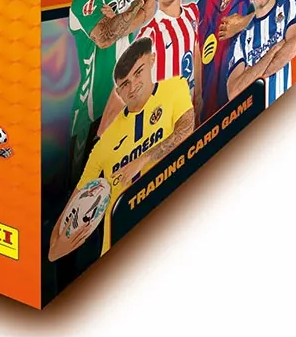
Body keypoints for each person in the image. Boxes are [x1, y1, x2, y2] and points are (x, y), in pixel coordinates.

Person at [49, 38, 195, 261]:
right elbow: (71, 208)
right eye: (124, 84)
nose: (132, 86)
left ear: (153, 60)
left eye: (138, 72)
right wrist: (57, 248)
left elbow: (186, 129)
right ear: (118, 91)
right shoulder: (105, 143)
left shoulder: (175, 88)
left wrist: (142, 159)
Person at [67, 0, 155, 183]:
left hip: (129, 98)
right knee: (81, 190)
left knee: (121, 180)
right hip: (93, 112)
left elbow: (151, 5)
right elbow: (104, 37)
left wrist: (122, 16)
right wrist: (135, 7)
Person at [133, 0, 202, 121]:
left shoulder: (193, 12)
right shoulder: (149, 34)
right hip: (164, 123)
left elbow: (196, 51)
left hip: (192, 116)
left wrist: (199, 97)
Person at [226, 0, 296, 105]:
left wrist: (252, 75)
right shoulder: (240, 41)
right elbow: (234, 92)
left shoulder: (290, 5)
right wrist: (272, 52)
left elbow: (293, 46)